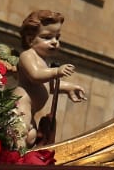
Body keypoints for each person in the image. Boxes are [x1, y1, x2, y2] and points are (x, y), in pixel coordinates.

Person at [15, 9, 87, 146]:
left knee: (31, 138)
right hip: (21, 106)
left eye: (57, 37)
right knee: (19, 136)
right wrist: (56, 71)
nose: (54, 42)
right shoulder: (27, 55)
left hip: (31, 111)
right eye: (47, 37)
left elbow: (48, 85)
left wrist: (68, 88)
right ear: (30, 40)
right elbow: (35, 75)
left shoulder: (43, 61)